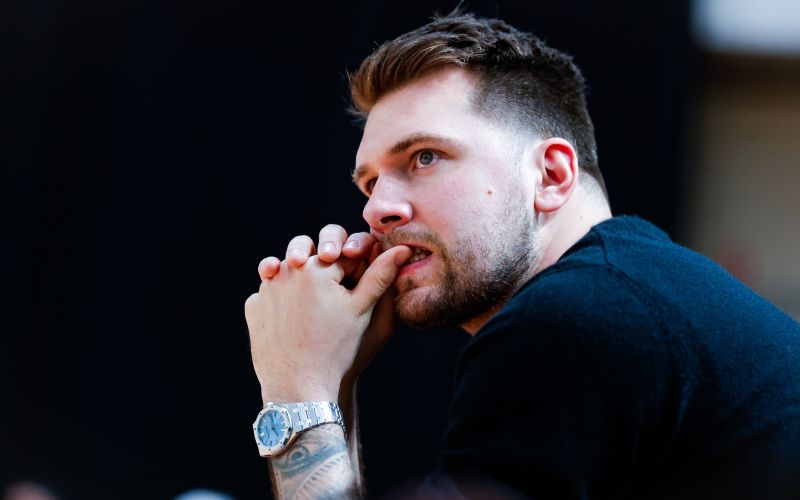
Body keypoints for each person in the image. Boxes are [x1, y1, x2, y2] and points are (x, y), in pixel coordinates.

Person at [243, 10, 800, 499]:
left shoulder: (578, 317)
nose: (376, 209)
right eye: (370, 184)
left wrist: (296, 389)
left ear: (551, 175)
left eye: (424, 157)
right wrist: (331, 386)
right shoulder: (640, 294)